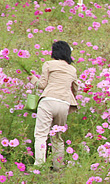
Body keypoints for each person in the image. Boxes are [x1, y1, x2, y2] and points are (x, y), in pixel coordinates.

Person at [29, 41, 78, 171]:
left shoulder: (49, 64)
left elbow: (42, 85)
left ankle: (39, 166)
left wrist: (33, 79)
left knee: (41, 135)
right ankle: (58, 166)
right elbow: (74, 89)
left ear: (54, 52)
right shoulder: (72, 69)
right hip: (64, 104)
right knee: (57, 136)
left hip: (48, 101)